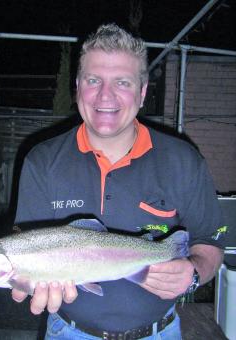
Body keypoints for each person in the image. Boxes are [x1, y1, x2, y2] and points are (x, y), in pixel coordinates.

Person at [12, 23, 224, 340]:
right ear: (77, 87)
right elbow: (24, 240)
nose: (105, 95)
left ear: (141, 92)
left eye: (122, 82)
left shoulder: (185, 161)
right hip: (67, 333)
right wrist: (23, 279)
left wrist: (193, 274)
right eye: (93, 80)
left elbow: (210, 242)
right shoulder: (41, 161)